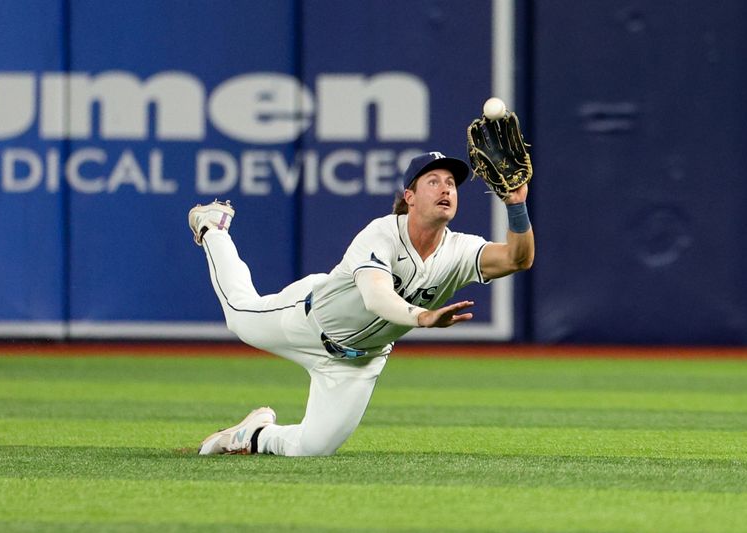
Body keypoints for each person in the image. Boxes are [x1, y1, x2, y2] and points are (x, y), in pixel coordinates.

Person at [189, 151, 534, 457]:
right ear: (410, 197)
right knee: (238, 314)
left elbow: (518, 259)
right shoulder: (382, 233)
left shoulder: (460, 250)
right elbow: (376, 296)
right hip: (307, 323)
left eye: (451, 183)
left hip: (359, 362)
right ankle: (213, 227)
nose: (446, 189)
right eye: (433, 181)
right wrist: (423, 317)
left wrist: (516, 206)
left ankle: (254, 435)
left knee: (312, 448)